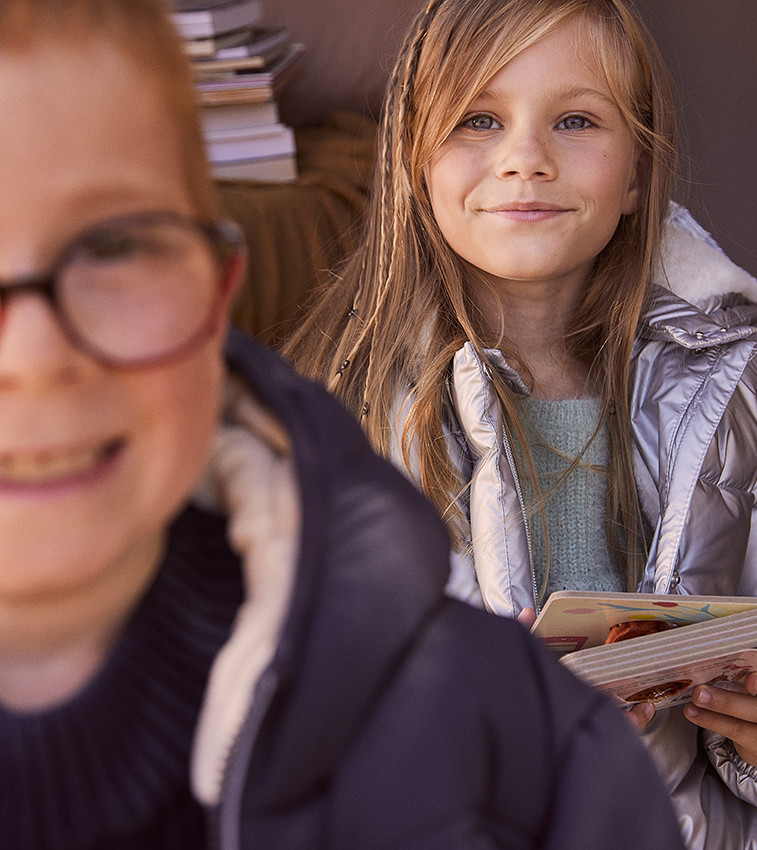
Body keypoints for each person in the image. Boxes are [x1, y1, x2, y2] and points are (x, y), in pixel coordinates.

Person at [0, 1, 690, 848]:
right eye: (479, 120)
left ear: (218, 292)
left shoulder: (537, 749)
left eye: (113, 248)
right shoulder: (368, 393)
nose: (33, 355)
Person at [284, 0, 757, 846]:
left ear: (635, 176)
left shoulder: (738, 384)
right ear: (414, 162)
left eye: (576, 120)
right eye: (479, 118)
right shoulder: (340, 413)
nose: (525, 160)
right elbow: (298, 715)